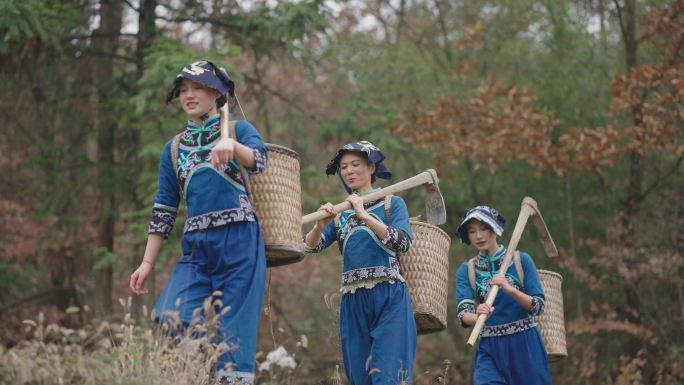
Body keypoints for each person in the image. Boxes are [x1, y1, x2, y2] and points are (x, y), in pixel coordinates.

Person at [129, 60, 268, 385]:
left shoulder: (238, 131)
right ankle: (199, 375)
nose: (188, 95)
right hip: (197, 250)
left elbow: (261, 160)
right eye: (183, 90)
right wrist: (147, 262)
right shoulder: (175, 148)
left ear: (218, 94)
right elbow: (164, 207)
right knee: (170, 317)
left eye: (198, 88)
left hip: (241, 244)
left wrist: (233, 146)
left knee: (234, 340)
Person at [303, 141, 417, 385]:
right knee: (358, 376)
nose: (349, 171)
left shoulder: (391, 204)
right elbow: (310, 246)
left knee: (388, 375)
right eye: (344, 167)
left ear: (372, 167)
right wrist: (319, 226)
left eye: (355, 165)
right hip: (353, 300)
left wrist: (364, 215)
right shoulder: (340, 215)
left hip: (388, 296)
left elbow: (404, 242)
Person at [455, 206, 552, 385]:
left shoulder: (521, 260)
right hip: (489, 347)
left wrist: (511, 290)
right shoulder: (467, 270)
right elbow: (463, 314)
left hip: (525, 344)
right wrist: (477, 316)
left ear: (495, 229)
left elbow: (538, 306)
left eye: (484, 228)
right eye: (472, 231)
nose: (478, 236)